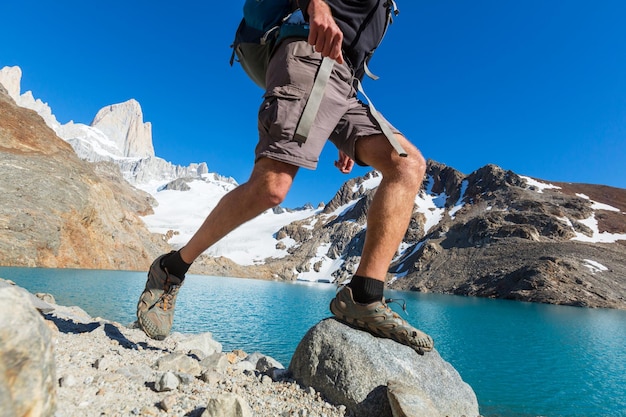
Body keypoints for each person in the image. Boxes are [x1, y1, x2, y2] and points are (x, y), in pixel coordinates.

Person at [137, 0, 434, 355]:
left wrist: (339, 130)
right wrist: (317, 5)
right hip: (308, 56)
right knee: (272, 187)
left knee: (407, 165)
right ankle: (172, 268)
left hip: (345, 86)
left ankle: (364, 296)